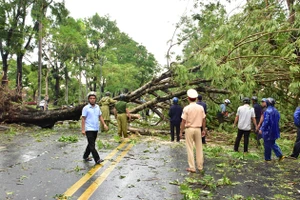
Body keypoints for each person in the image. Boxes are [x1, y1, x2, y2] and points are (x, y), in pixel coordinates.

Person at [180, 89, 206, 173]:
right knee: (199, 147)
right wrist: (203, 129)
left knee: (190, 148)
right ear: (196, 98)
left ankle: (192, 167)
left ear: (188, 98)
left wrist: (181, 131)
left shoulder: (186, 108)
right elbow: (204, 119)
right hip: (198, 128)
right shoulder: (200, 108)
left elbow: (183, 121)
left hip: (189, 129)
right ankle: (200, 166)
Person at [81, 91, 108, 165]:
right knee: (92, 145)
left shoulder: (97, 107)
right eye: (91, 98)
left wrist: (104, 124)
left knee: (90, 144)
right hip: (88, 128)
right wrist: (83, 129)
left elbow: (100, 116)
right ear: (88, 99)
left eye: (93, 98)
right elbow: (83, 119)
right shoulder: (86, 108)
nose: (92, 99)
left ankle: (85, 156)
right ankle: (97, 159)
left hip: (95, 128)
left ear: (96, 99)